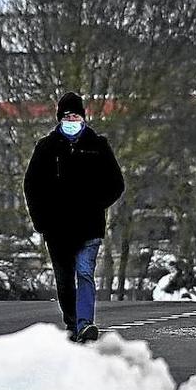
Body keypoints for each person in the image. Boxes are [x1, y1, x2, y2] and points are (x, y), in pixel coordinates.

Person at [23, 92, 125, 342]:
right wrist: (41, 221)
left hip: (89, 227)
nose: (72, 119)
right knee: (65, 280)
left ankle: (84, 323)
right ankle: (72, 320)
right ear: (60, 118)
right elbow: (31, 186)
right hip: (57, 231)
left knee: (85, 273)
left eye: (76, 115)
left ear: (83, 117)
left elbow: (116, 183)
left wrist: (96, 204)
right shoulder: (46, 148)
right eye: (68, 116)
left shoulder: (98, 145)